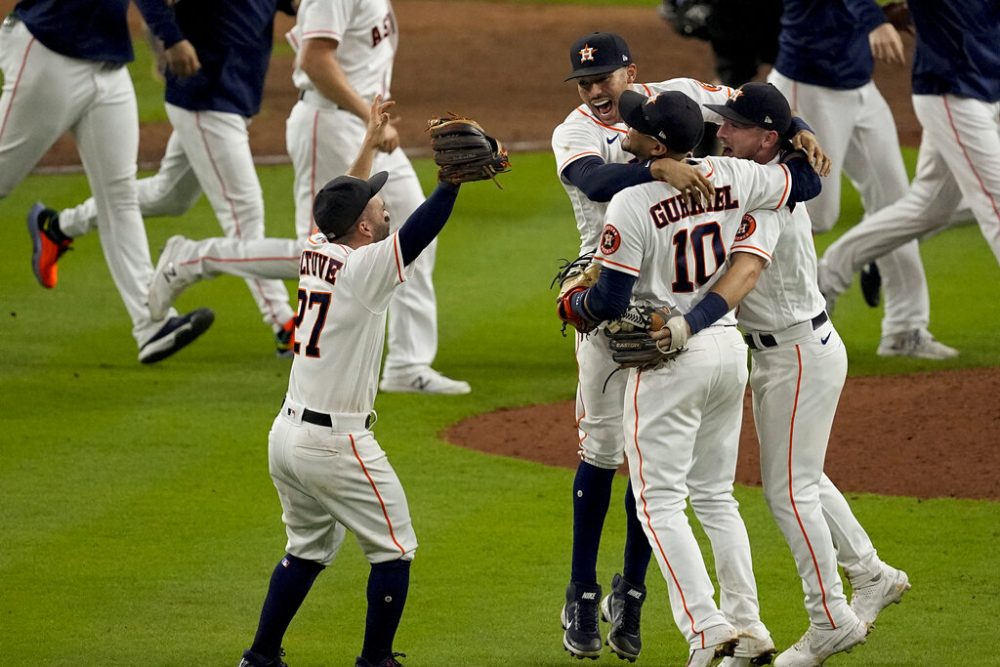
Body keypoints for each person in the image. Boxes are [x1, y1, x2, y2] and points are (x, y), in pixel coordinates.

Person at [552, 31, 827, 662]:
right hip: (688, 317)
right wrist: (660, 166)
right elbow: (595, 180)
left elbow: (752, 104)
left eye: (605, 79)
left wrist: (796, 126)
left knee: (657, 483)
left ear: (633, 75)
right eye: (584, 83)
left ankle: (642, 595)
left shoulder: (677, 104)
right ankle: (584, 590)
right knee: (608, 452)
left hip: (623, 304)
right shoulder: (579, 133)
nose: (595, 92)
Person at [659, 82, 910, 667]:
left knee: (788, 492)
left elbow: (743, 276)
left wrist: (687, 326)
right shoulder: (764, 169)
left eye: (735, 126)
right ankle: (871, 574)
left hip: (796, 355)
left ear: (765, 139)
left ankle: (830, 620)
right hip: (792, 351)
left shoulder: (770, 194)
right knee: (804, 478)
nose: (721, 131)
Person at [238, 96, 471, 667]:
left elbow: (350, 194)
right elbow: (417, 233)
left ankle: (261, 657)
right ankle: (375, 662)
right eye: (377, 202)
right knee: (395, 552)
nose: (384, 202)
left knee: (307, 550)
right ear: (364, 224)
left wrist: (369, 137)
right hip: (335, 444)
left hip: (286, 437)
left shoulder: (320, 249)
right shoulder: (366, 270)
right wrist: (451, 184)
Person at [30, 0, 300, 357]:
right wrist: (171, 40)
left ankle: (59, 226)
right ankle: (283, 323)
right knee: (243, 213)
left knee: (167, 195)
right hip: (205, 98)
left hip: (235, 96)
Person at [3, 0, 213, 364]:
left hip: (108, 63)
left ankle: (151, 325)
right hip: (49, 52)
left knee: (119, 195)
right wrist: (172, 38)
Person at [283, 0, 467, 394]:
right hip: (331, 121)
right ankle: (198, 261)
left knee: (415, 228)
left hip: (362, 124)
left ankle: (407, 364)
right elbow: (315, 59)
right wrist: (366, 116)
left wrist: (370, 126)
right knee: (319, 249)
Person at [767, 0, 957, 360]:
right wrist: (872, 20)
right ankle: (766, 315)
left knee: (898, 205)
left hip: (860, 86)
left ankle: (905, 328)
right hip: (808, 88)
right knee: (815, 214)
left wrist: (882, 14)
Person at [818, 0, 1000, 320]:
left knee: (930, 207)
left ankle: (830, 273)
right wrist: (874, 21)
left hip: (991, 84)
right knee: (995, 205)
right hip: (953, 92)